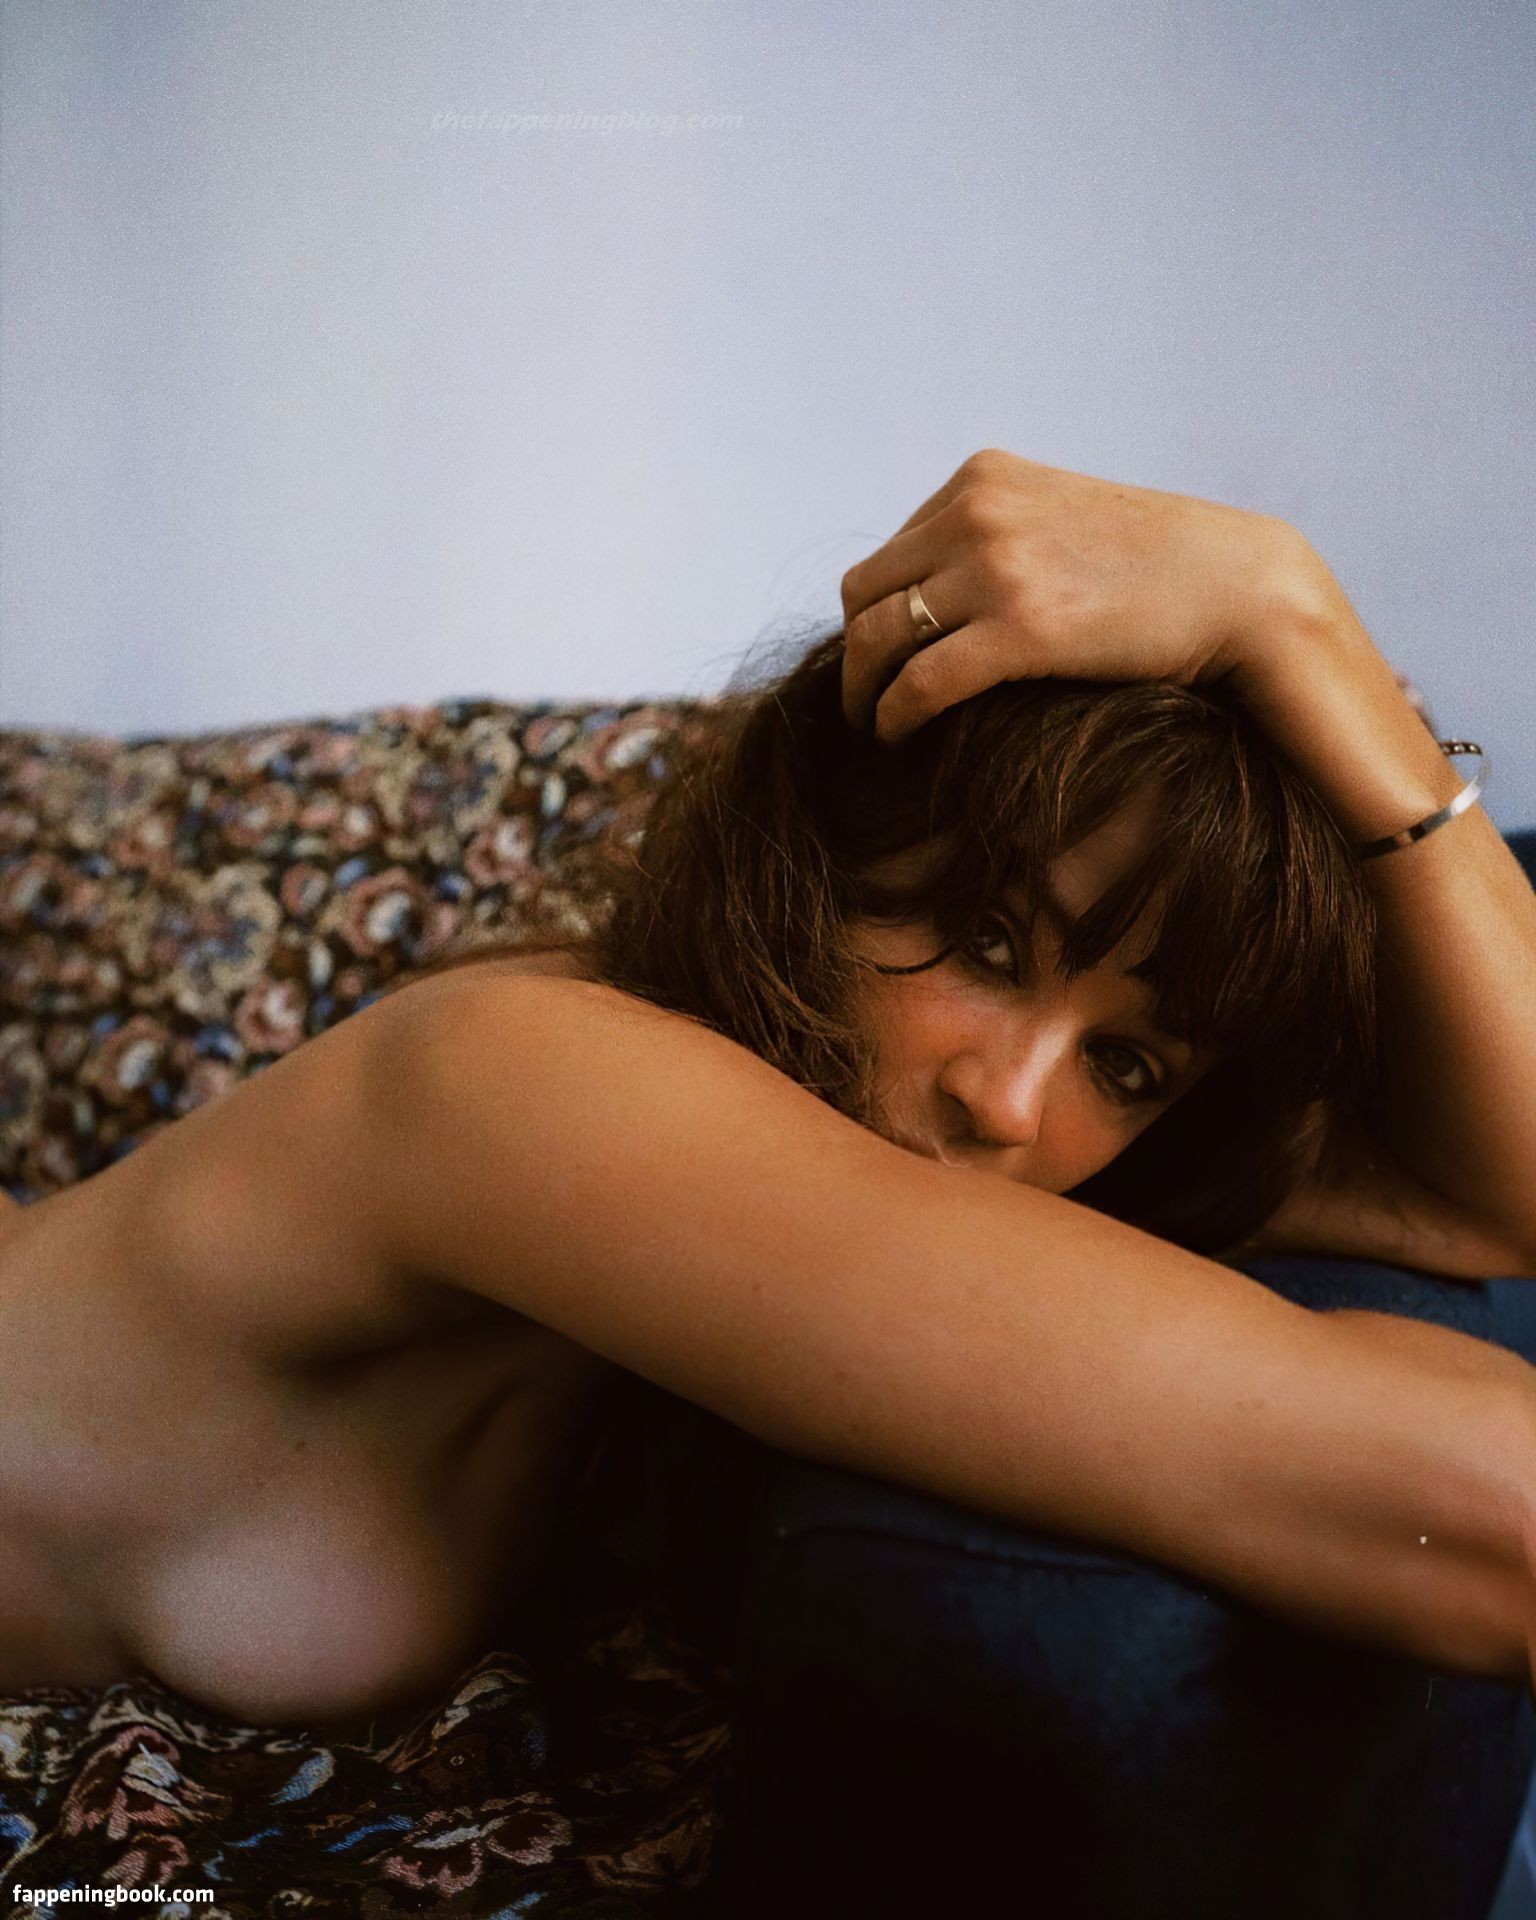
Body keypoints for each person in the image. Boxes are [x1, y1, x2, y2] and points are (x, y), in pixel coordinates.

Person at [0, 448, 1533, 1732]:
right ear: (821, 859)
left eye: (1124, 1064)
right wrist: (1278, 597)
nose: (1008, 1104)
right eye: (988, 943)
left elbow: (1489, 1204)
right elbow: (1497, 1512)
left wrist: (1301, 637)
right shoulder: (536, 1082)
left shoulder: (848, 1143)